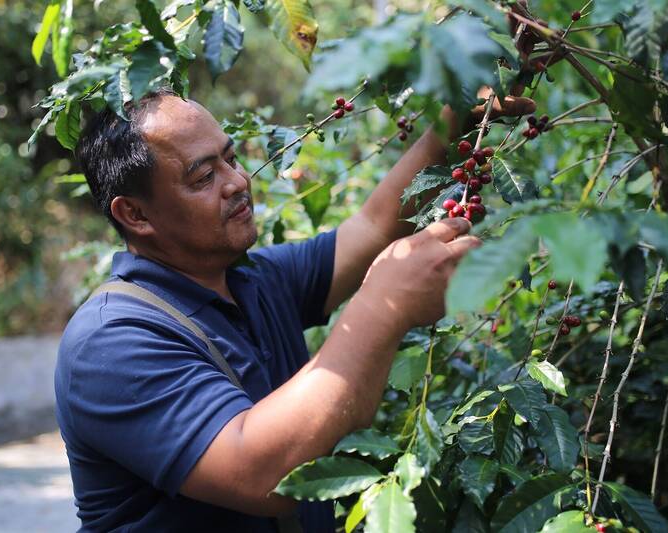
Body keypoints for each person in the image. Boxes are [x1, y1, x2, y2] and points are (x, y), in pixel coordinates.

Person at [54, 87, 535, 531]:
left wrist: (452, 125)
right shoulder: (110, 341)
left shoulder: (253, 280)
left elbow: (371, 229)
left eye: (231, 159)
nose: (238, 182)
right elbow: (264, 475)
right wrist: (384, 306)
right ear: (134, 215)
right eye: (204, 176)